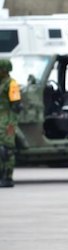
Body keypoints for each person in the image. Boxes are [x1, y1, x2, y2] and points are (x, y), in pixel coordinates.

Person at [0, 58, 22, 188]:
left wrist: (10, 125)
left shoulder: (11, 84)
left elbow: (16, 105)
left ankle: (7, 177)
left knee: (6, 150)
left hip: (8, 121)